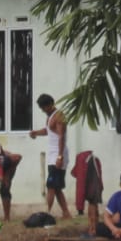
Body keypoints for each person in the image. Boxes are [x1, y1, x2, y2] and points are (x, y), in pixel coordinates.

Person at [28, 93, 71, 221]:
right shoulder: (50, 116)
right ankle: (66, 213)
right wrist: (36, 132)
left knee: (51, 184)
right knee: (56, 187)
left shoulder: (59, 116)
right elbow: (48, 130)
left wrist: (59, 156)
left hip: (59, 154)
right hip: (52, 154)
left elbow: (61, 136)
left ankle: (47, 213)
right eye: (42, 109)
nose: (43, 111)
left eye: (44, 108)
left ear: (51, 104)